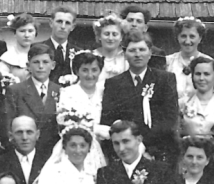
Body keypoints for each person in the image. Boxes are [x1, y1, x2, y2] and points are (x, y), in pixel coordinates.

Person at [100, 29, 180, 163]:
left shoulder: (165, 79)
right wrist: (133, 147)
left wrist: (145, 147)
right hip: (125, 151)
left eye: (142, 50)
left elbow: (169, 118)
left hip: (158, 149)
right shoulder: (113, 83)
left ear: (150, 53)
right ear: (125, 54)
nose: (137, 54)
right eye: (132, 50)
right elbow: (108, 119)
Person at [5, 44, 60, 156]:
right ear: (28, 66)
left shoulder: (60, 91)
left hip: (53, 151)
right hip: (25, 151)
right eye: (36, 62)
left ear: (53, 65)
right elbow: (9, 124)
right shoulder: (16, 91)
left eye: (45, 62)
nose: (41, 66)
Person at [0, 115, 49, 184]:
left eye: (29, 132)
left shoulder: (49, 161)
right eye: (19, 132)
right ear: (11, 136)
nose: (24, 137)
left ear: (37, 135)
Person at [58, 52, 110, 144]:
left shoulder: (106, 92)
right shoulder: (67, 93)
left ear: (100, 71)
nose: (90, 75)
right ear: (77, 71)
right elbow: (65, 122)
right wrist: (97, 129)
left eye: (94, 70)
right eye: (85, 70)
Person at [166, 16, 206, 100]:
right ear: (177, 37)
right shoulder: (168, 62)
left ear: (200, 38)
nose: (187, 41)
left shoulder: (208, 62)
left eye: (192, 36)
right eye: (183, 36)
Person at [118, 4, 168, 70]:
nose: (134, 24)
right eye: (130, 20)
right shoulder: (115, 49)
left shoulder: (156, 53)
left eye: (139, 21)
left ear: (145, 28)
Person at [0, 12, 40, 83]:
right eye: (22, 31)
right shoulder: (8, 58)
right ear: (15, 33)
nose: (26, 35)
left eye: (30, 31)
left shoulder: (41, 55)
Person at [42, 6, 80, 82]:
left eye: (67, 23)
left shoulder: (78, 52)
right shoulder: (38, 48)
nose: (63, 26)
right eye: (59, 21)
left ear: (72, 27)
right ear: (51, 23)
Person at [91, 13, 129, 80]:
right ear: (99, 36)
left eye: (114, 34)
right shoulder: (91, 56)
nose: (110, 38)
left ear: (121, 37)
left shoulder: (127, 58)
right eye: (106, 34)